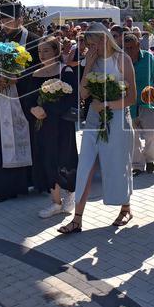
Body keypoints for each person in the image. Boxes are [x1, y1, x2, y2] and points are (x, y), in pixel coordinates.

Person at [58, 23, 137, 233]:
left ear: (105, 39)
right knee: (86, 164)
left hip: (117, 118)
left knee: (118, 165)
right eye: (90, 45)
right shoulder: (91, 61)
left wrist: (107, 105)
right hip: (94, 118)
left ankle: (125, 208)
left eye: (95, 44)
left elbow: (131, 97)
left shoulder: (122, 59)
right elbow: (83, 94)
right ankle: (77, 219)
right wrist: (88, 66)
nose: (93, 49)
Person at [0, 3, 35, 202]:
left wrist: (19, 79)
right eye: (2, 20)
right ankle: (7, 187)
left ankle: (33, 182)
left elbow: (41, 69)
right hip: (5, 99)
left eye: (7, 20)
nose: (3, 24)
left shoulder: (33, 40)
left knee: (30, 140)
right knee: (4, 142)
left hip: (25, 101)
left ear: (20, 20)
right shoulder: (1, 42)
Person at [25, 36, 79, 218]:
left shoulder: (66, 71)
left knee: (65, 159)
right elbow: (28, 99)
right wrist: (33, 109)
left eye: (46, 50)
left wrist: (47, 109)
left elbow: (72, 99)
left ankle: (70, 193)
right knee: (47, 160)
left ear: (56, 51)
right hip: (43, 125)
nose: (42, 54)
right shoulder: (35, 74)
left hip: (62, 125)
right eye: (39, 51)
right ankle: (56, 202)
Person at [126, 33, 154, 176]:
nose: (129, 51)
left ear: (138, 45)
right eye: (126, 48)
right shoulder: (123, 61)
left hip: (148, 102)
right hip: (130, 104)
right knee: (134, 136)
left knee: (150, 134)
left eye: (131, 47)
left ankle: (149, 159)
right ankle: (137, 165)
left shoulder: (148, 57)